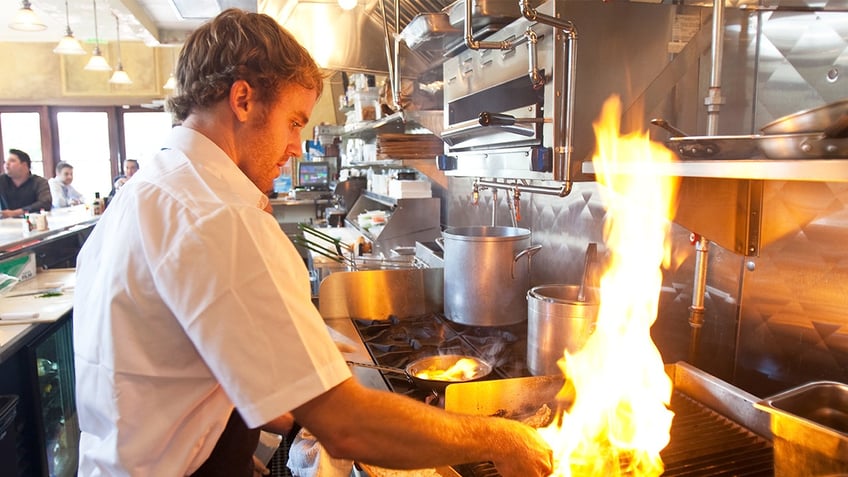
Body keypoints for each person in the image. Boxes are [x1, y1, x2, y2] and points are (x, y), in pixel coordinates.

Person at [73, 9, 553, 477]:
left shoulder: (147, 191)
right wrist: (501, 440)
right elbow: (345, 426)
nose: (298, 147)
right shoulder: (219, 216)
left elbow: (198, 377)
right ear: (242, 100)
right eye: (295, 122)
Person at [0, 148, 52, 218]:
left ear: (24, 165)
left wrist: (16, 213)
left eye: (12, 161)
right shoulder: (2, 180)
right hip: (5, 224)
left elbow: (45, 203)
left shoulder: (39, 182)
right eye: (6, 161)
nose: (7, 164)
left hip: (33, 222)